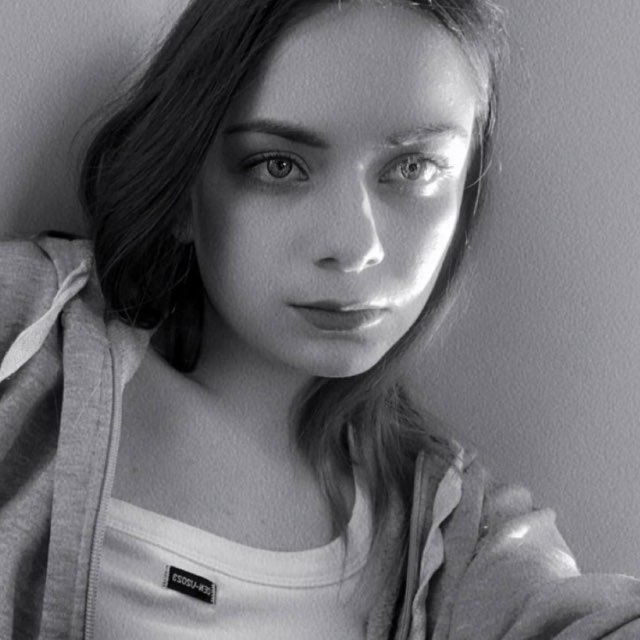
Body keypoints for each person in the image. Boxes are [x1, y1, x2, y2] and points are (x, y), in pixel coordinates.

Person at [1, 0, 640, 638]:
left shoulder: (460, 534)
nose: (355, 246)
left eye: (413, 168)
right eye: (279, 165)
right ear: (183, 191)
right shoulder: (24, 336)